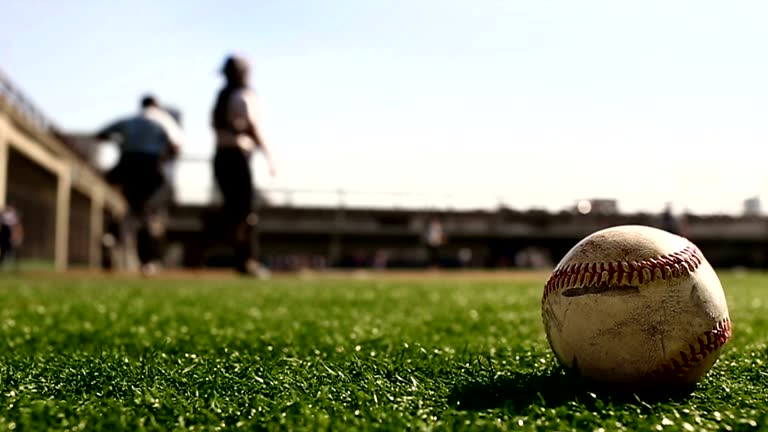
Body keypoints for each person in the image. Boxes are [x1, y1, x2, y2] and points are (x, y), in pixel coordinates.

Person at [95, 95, 183, 275]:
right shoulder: (163, 119)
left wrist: (121, 142)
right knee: (146, 214)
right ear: (157, 106)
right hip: (150, 166)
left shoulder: (130, 119)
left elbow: (101, 134)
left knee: (131, 209)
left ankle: (112, 236)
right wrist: (164, 157)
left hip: (127, 164)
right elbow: (176, 145)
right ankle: (148, 261)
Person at [210, 54, 276, 277]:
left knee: (235, 211)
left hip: (221, 156)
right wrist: (268, 155)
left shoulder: (222, 97)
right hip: (237, 157)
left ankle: (242, 259)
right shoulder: (243, 95)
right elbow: (252, 127)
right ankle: (247, 260)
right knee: (246, 212)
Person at [0, 204, 23, 271]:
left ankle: (14, 265)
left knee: (12, 250)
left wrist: (17, 236)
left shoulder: (12, 219)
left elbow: (16, 226)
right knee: (5, 250)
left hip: (9, 234)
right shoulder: (4, 217)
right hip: (5, 233)